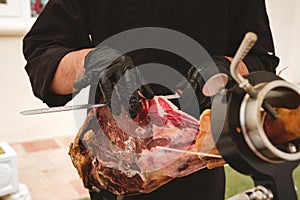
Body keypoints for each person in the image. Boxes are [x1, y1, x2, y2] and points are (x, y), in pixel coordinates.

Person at [23, 0, 279, 199]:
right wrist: (93, 62)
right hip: (115, 165)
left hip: (197, 168)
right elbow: (42, 56)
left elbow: (262, 60)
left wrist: (226, 68)